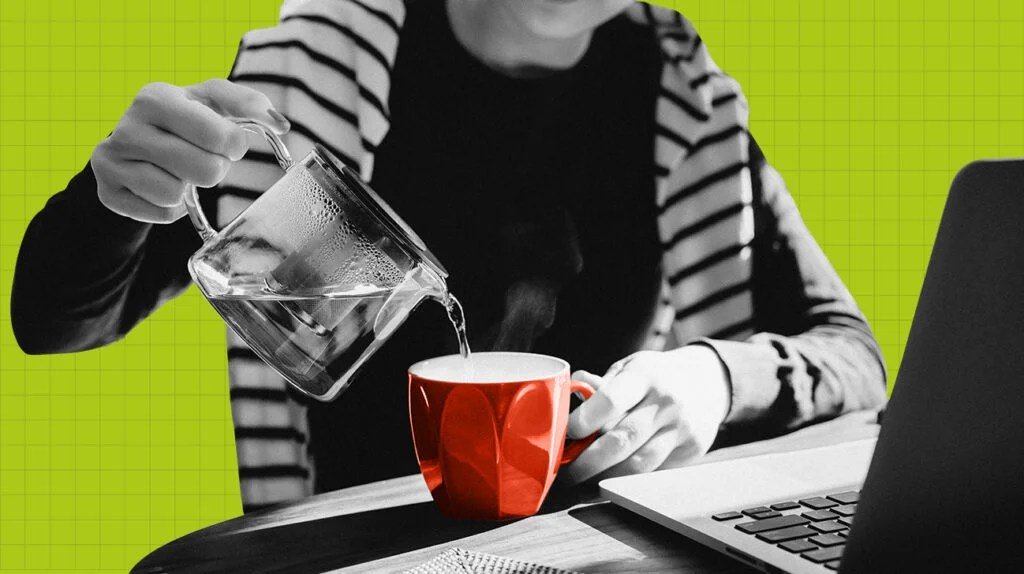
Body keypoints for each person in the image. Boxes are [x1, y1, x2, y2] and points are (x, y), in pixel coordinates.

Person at [11, 0, 886, 512]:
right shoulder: (316, 75)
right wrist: (117, 195)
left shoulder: (685, 101)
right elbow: (55, 323)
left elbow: (852, 354)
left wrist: (713, 379)